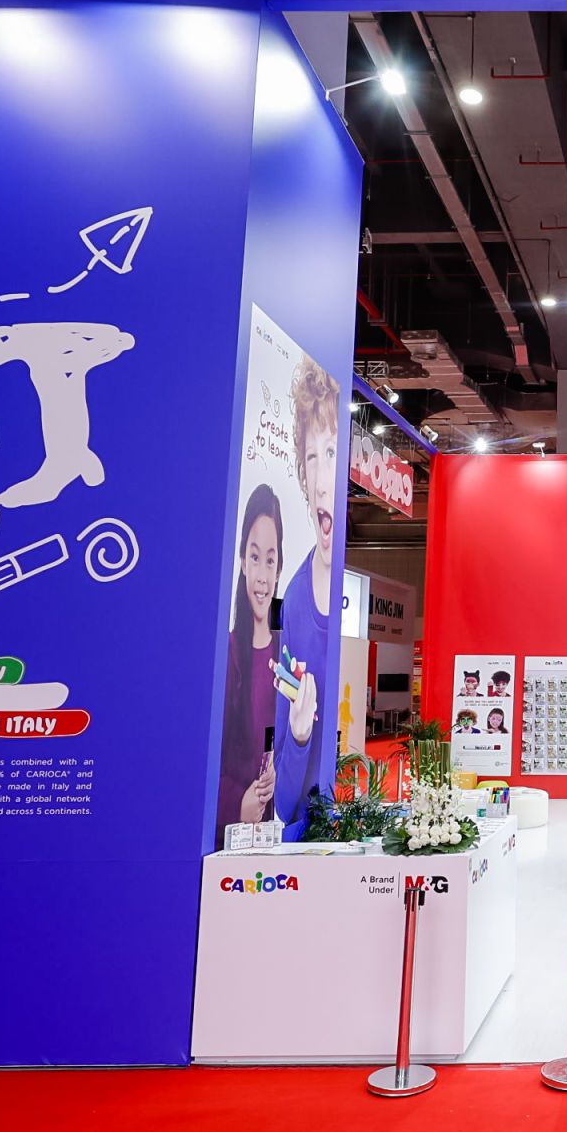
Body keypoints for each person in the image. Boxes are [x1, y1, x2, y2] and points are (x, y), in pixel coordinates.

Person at [272, 355, 340, 838]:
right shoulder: (295, 603)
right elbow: (282, 804)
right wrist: (298, 736)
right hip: (309, 841)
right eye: (311, 457)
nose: (320, 478)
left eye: (332, 451)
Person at [215, 484, 282, 829]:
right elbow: (202, 759)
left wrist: (279, 771)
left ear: (279, 569)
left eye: (270, 560)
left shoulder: (287, 658)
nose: (262, 578)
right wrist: (236, 804)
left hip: (274, 835)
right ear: (242, 561)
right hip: (229, 836)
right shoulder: (226, 656)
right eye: (255, 557)